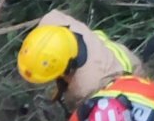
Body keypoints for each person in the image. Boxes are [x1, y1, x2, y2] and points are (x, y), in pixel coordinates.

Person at [15, 11, 143, 110]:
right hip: (109, 48)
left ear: (68, 67)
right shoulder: (52, 21)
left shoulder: (86, 87)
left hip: (129, 72)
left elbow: (80, 114)